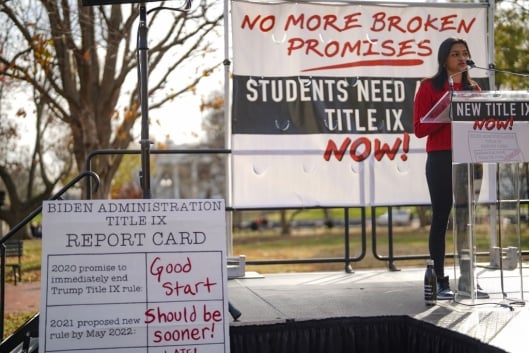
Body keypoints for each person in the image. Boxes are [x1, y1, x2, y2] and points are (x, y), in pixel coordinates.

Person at [413, 37, 482, 300]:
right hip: (441, 158)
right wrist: (445, 114)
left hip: (469, 158)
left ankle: (467, 279)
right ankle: (440, 280)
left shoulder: (474, 90)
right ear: (444, 59)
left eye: (465, 53)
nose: (462, 58)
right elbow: (419, 129)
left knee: (467, 221)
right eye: (456, 54)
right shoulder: (429, 87)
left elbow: (479, 125)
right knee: (442, 217)